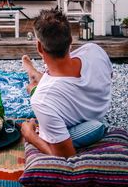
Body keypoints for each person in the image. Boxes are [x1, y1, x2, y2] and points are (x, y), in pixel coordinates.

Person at [21, 9, 112, 158]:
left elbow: (65, 155)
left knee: (33, 90)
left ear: (39, 48)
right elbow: (109, 76)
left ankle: (33, 76)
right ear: (70, 40)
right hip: (97, 110)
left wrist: (30, 135)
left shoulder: (42, 100)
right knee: (44, 79)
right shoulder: (94, 50)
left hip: (83, 124)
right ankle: (33, 73)